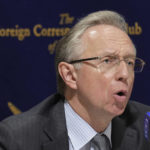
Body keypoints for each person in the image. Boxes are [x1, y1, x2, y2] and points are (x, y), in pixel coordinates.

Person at [0, 10, 149, 150]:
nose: (124, 74)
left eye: (130, 62)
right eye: (108, 61)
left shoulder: (145, 125)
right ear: (70, 75)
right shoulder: (17, 139)